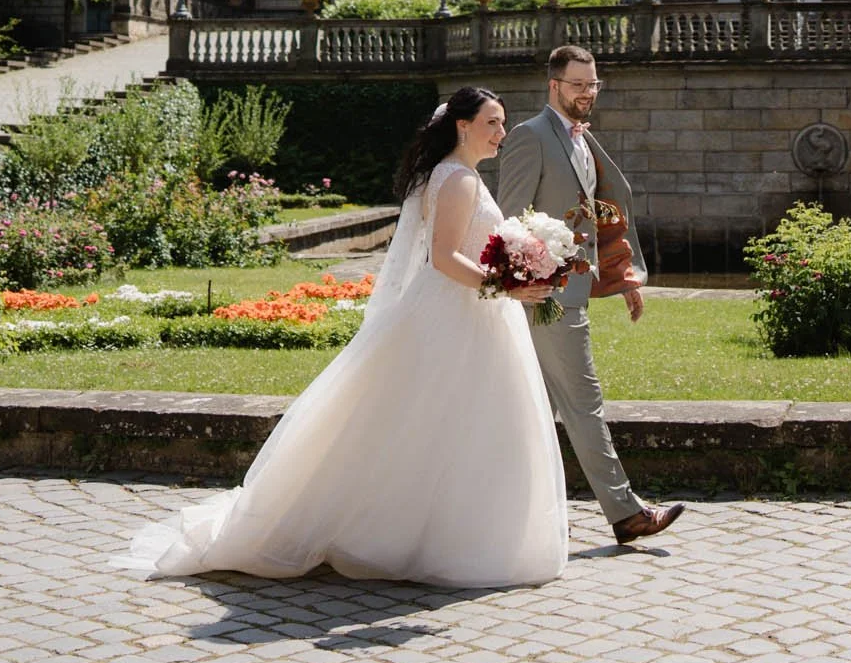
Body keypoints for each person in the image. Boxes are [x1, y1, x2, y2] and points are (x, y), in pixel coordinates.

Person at [117, 88, 569, 587]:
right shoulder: (457, 179)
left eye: (503, 124)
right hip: (458, 314)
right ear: (462, 125)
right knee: (446, 420)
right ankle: (429, 538)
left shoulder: (455, 175)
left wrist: (517, 268)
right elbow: (442, 259)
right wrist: (504, 283)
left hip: (470, 312)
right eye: (493, 123)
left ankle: (457, 531)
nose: (502, 133)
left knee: (456, 423)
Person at [497, 45, 685, 545]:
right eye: (578, 84)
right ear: (553, 85)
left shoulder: (583, 139)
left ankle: (500, 516)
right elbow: (508, 224)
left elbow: (598, 217)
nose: (587, 93)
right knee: (584, 403)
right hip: (545, 298)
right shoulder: (529, 137)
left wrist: (622, 278)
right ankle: (626, 513)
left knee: (527, 407)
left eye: (594, 84)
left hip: (572, 290)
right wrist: (523, 287)